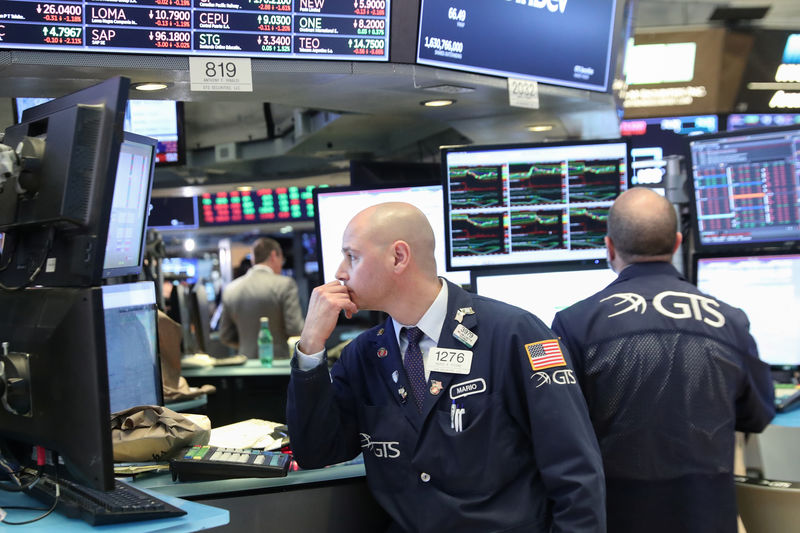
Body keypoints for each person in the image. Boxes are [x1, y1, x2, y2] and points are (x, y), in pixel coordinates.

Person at [286, 202, 605, 532]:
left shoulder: (515, 334)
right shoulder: (362, 356)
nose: (339, 271)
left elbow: (575, 472)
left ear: (398, 257)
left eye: (352, 256)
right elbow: (315, 452)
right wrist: (310, 347)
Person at [551, 187, 775, 533]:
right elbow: (756, 415)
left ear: (609, 247)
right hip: (707, 517)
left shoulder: (575, 323)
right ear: (677, 243)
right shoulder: (730, 321)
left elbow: (563, 431)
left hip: (617, 517)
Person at [218, 238, 304, 359]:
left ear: (254, 259)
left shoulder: (231, 289)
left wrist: (248, 344)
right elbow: (295, 328)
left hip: (245, 365)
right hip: (278, 364)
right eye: (282, 260)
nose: (281, 265)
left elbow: (225, 336)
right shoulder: (285, 284)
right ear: (274, 255)